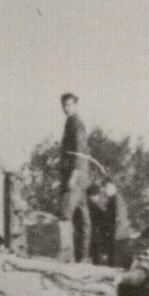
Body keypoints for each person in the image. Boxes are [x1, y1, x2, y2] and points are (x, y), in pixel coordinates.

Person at [58, 93, 92, 262]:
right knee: (83, 221)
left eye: (69, 105)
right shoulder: (73, 123)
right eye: (64, 105)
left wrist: (73, 175)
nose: (66, 108)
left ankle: (66, 258)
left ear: (76, 106)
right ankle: (82, 258)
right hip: (82, 178)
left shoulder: (74, 123)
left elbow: (79, 150)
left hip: (76, 177)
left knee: (65, 215)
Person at [87, 174, 129, 267]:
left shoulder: (117, 200)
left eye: (107, 186)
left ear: (113, 186)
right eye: (105, 187)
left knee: (112, 255)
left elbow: (121, 218)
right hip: (109, 231)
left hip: (117, 234)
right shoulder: (108, 200)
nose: (105, 189)